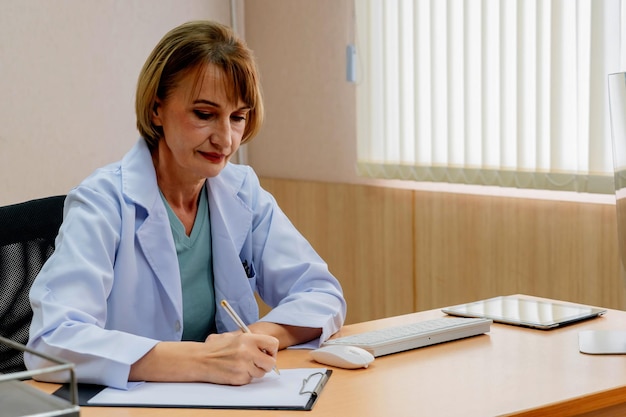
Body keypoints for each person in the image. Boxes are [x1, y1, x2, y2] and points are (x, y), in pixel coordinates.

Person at [25, 20, 346, 389]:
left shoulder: (242, 191)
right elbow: (51, 341)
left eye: (238, 117)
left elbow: (322, 292)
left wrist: (249, 340)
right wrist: (203, 360)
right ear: (156, 109)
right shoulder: (104, 201)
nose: (225, 139)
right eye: (204, 114)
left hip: (226, 402)